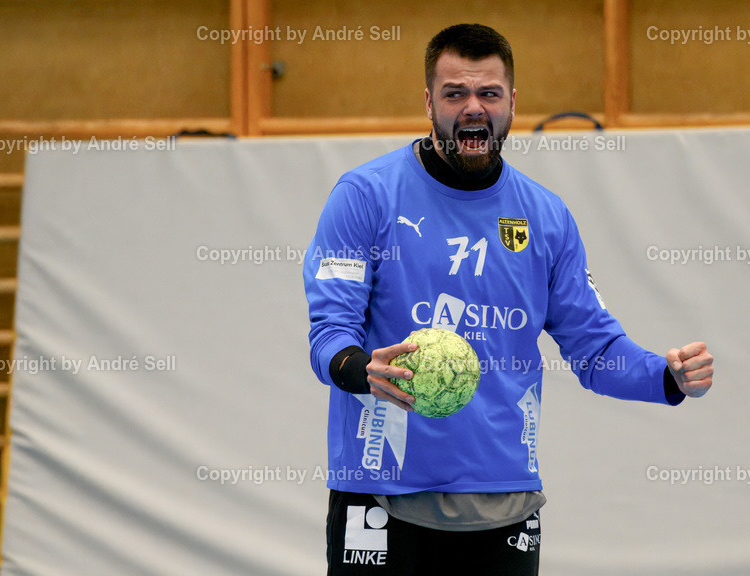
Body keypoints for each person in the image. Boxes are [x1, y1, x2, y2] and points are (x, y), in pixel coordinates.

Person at [303, 23, 714, 575]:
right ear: (428, 101)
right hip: (381, 493)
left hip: (503, 502)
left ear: (512, 102)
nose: (473, 108)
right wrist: (359, 369)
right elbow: (330, 332)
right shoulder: (366, 197)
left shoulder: (545, 218)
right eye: (455, 94)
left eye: (488, 94)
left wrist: (663, 377)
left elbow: (594, 350)